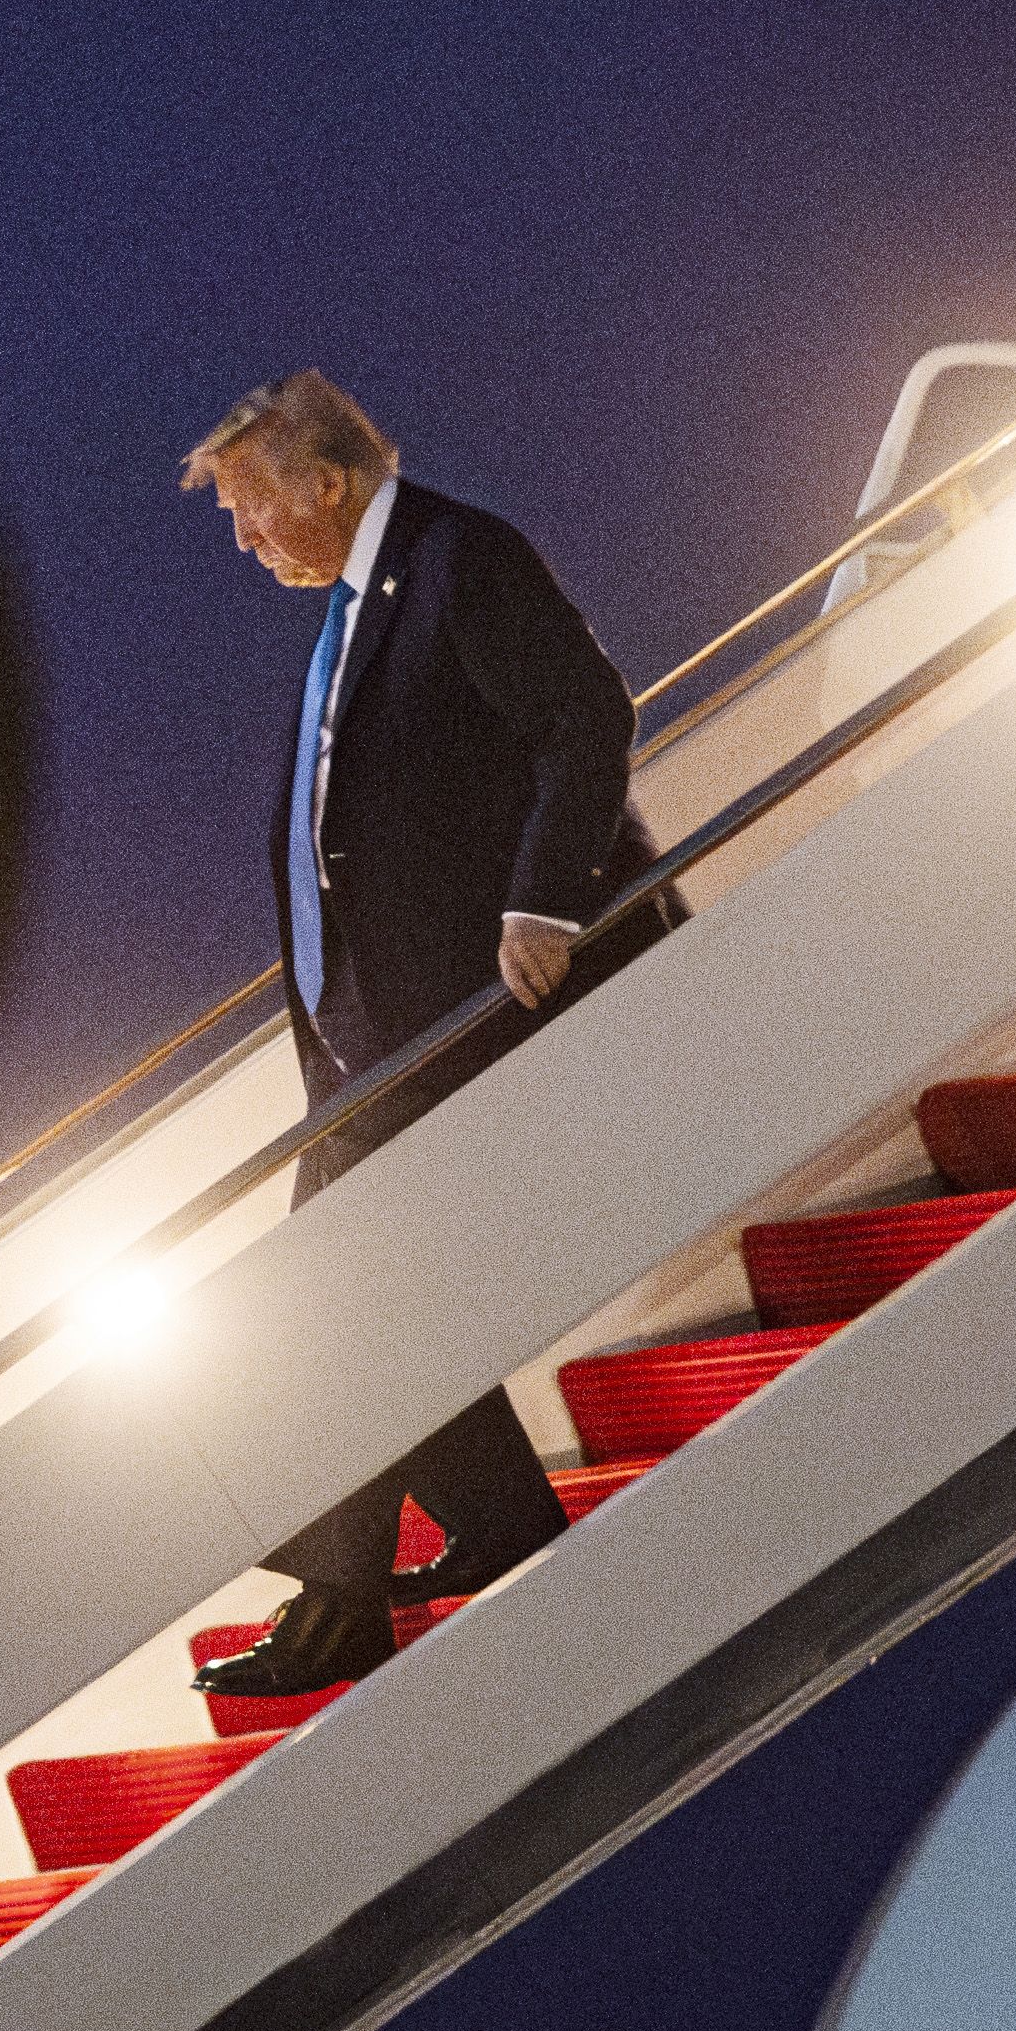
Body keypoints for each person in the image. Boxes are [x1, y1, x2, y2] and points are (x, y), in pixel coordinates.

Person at [179, 369, 669, 1701]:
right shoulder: (353, 612)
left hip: (478, 1013)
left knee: (335, 1291)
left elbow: (583, 716)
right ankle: (493, 1518)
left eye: (248, 506)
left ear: (326, 482)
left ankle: (344, 1601)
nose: (243, 538)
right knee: (345, 1292)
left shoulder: (458, 558)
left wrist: (542, 900)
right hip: (376, 1048)